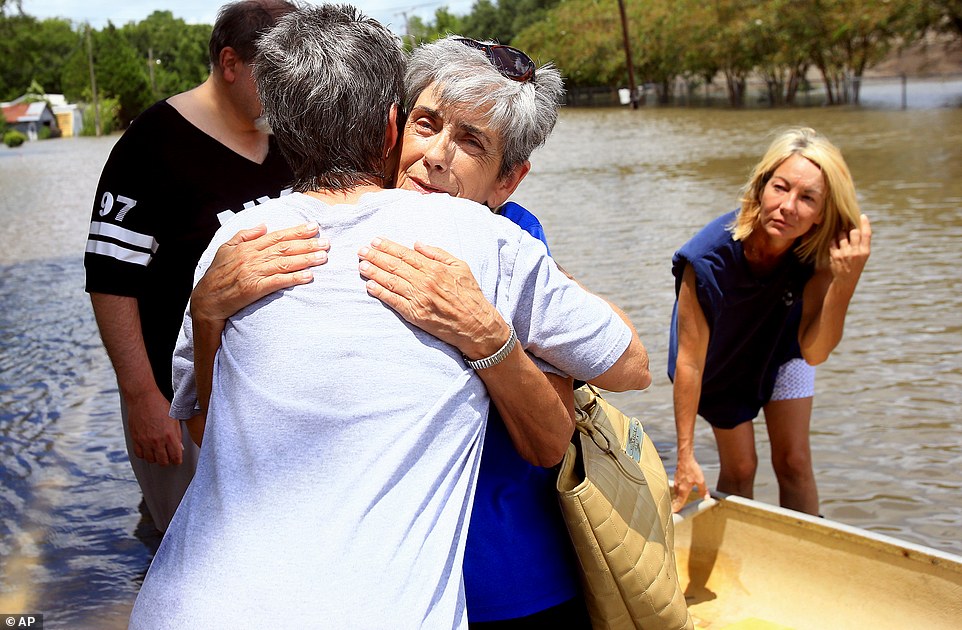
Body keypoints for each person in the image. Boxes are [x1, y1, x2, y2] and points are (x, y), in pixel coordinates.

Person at [128, 5, 649, 628]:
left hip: (496, 582)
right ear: (391, 126)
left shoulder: (504, 247)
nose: (435, 156)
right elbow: (222, 437)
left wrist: (487, 337)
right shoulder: (261, 243)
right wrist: (207, 316)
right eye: (427, 125)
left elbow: (559, 432)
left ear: (508, 181)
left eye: (471, 143)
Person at [82, 0, 297, 533]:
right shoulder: (153, 144)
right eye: (278, 74)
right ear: (230, 63)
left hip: (268, 402)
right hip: (180, 403)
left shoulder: (291, 138)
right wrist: (142, 398)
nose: (293, 89)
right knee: (195, 555)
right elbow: (110, 279)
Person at [668, 127, 872, 516]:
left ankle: (805, 564)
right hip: (720, 360)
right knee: (742, 467)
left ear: (821, 215)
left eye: (808, 198)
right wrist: (685, 457)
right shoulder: (707, 258)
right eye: (780, 187)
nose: (788, 206)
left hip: (783, 346)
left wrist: (845, 283)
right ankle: (739, 561)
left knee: (794, 462)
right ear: (761, 186)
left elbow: (813, 351)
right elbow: (690, 362)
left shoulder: (819, 252)